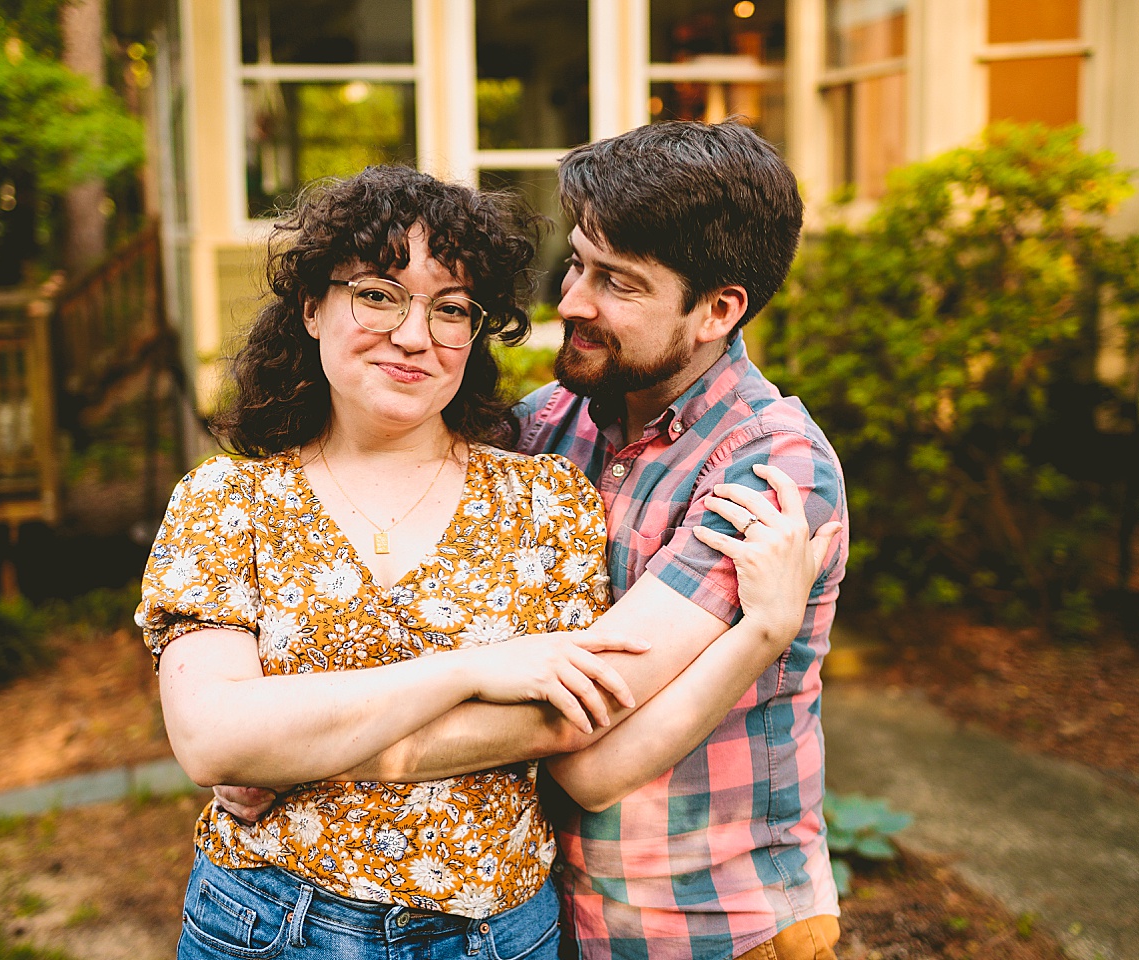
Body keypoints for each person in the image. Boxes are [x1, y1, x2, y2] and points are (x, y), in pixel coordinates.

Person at [139, 164, 837, 960]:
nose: (570, 300)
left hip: (700, 916)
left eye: (451, 309)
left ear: (718, 310)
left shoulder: (747, 475)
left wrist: (285, 749)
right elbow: (210, 738)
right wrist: (471, 669)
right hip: (282, 923)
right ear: (310, 305)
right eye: (377, 293)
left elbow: (578, 735)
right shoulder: (542, 426)